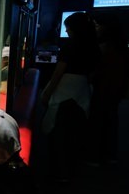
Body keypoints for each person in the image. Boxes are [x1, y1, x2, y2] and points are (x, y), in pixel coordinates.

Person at [40, 12, 101, 178]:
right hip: (82, 90)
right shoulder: (94, 46)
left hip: (65, 88)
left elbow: (58, 72)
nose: (66, 32)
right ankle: (69, 170)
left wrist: (47, 92)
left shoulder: (70, 46)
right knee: (74, 131)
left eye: (67, 28)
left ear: (75, 29)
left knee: (58, 130)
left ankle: (58, 171)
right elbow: (93, 73)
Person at [89, 14, 129, 165]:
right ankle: (110, 155)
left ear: (106, 27)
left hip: (102, 89)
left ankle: (94, 157)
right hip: (115, 89)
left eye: (97, 25)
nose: (96, 29)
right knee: (111, 121)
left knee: (97, 122)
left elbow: (98, 70)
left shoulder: (104, 46)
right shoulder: (121, 44)